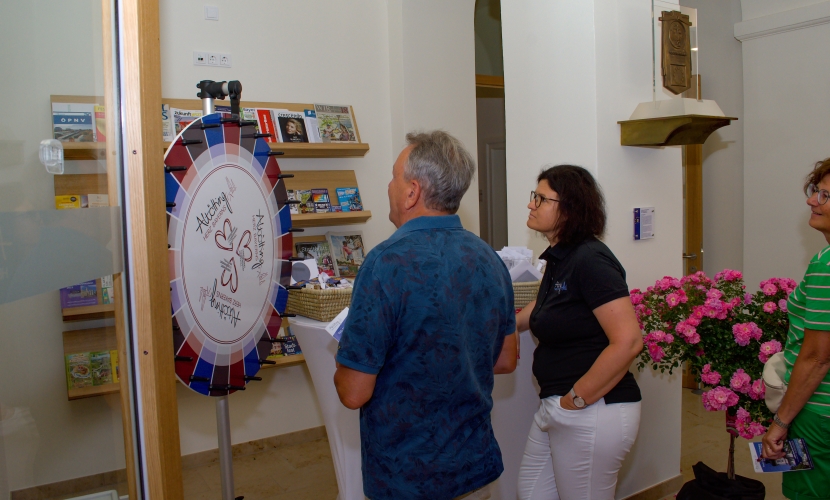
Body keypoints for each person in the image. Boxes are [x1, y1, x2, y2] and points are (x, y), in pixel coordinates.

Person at [334, 130, 517, 500]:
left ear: (412, 191)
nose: (388, 186)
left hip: (408, 478)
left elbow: (354, 392)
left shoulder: (385, 262)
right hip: (476, 468)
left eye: (393, 176)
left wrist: (342, 366)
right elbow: (506, 358)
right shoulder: (489, 258)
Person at [516, 165, 644, 500]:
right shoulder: (561, 257)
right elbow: (542, 311)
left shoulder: (591, 259)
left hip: (593, 408)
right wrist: (493, 320)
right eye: (534, 197)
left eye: (541, 199)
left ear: (569, 209)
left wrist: (576, 399)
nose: (531, 205)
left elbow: (628, 341)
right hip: (558, 404)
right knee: (531, 493)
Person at [761, 159, 830, 499]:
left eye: (825, 195)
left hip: (819, 414)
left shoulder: (826, 264)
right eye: (816, 191)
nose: (812, 200)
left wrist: (782, 422)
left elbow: (818, 357)